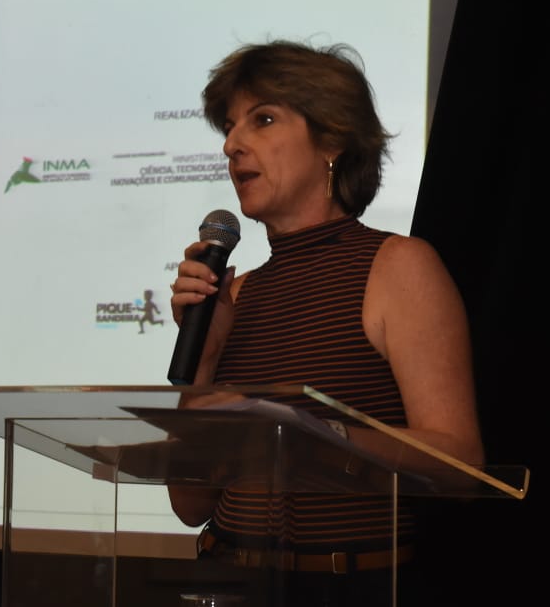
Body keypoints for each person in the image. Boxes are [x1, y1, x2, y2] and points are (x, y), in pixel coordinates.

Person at [167, 40, 484, 606]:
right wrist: (206, 360)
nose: (232, 144)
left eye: (263, 119)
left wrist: (313, 434)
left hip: (345, 589)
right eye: (230, 127)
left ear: (332, 140)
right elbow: (190, 506)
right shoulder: (236, 294)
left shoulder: (398, 267)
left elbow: (459, 466)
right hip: (225, 583)